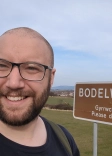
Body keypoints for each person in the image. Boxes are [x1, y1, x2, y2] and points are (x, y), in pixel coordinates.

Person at [0, 27, 80, 156]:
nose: (13, 83)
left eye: (31, 68)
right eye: (2, 66)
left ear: (51, 78)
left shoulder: (64, 139)